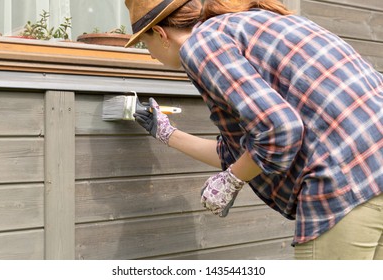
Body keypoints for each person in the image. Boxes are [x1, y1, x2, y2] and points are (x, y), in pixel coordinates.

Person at [124, 0, 383, 260]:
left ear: (161, 34)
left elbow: (279, 130)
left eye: (146, 44)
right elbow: (246, 152)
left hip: (345, 183)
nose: (150, 55)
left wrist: (231, 181)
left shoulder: (201, 44)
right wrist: (168, 134)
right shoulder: (249, 22)